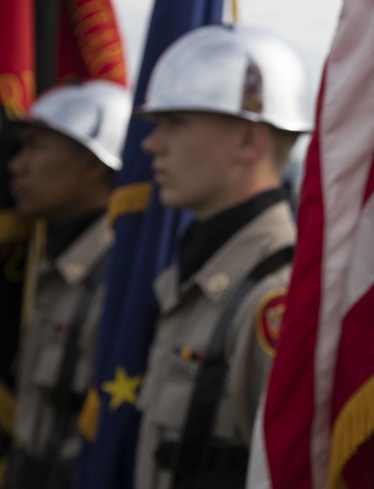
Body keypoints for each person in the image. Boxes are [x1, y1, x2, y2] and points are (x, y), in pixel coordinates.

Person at [133, 24, 312, 488]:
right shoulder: (194, 274)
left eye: (176, 123)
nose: (152, 143)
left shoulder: (273, 294)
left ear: (249, 142)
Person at [6, 80, 131, 488]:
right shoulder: (57, 265)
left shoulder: (120, 281)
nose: (17, 165)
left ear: (94, 163)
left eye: (36, 147)